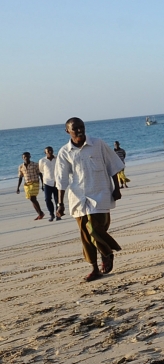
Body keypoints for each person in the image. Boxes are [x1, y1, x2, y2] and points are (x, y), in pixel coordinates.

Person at [55, 118, 123, 281]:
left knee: (94, 228)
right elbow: (61, 179)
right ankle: (94, 268)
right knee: (85, 234)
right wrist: (59, 204)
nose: (79, 130)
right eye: (75, 128)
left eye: (81, 127)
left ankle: (106, 252)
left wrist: (117, 188)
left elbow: (113, 165)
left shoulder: (98, 144)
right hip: (78, 197)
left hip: (100, 193)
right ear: (67, 131)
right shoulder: (65, 152)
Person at [16, 152, 45, 220]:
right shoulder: (21, 167)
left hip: (35, 183)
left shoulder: (35, 165)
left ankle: (40, 213)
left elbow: (40, 174)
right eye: (24, 157)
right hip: (27, 184)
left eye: (27, 156)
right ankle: (40, 213)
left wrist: (43, 184)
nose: (26, 158)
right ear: (22, 158)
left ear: (30, 157)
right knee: (32, 199)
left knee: (32, 198)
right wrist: (18, 187)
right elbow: (20, 177)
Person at [38, 146, 60, 221]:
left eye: (51, 150)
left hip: (57, 182)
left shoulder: (57, 158)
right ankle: (51, 214)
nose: (50, 152)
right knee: (47, 199)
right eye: (48, 151)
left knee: (57, 200)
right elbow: (41, 170)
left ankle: (58, 214)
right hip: (47, 182)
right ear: (45, 152)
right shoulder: (42, 161)